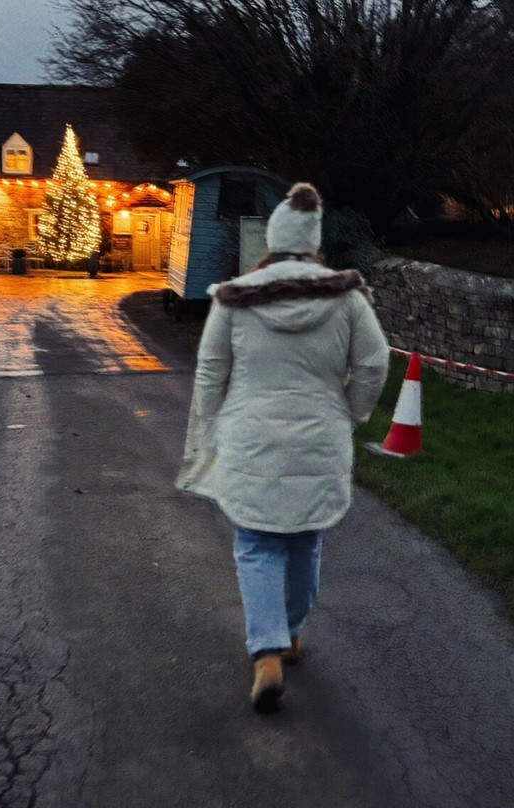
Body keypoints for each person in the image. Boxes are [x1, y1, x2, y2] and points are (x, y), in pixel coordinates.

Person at [176, 182, 390, 713]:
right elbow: (373, 363)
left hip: (251, 439)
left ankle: (267, 652)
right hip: (320, 436)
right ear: (314, 241)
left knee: (257, 543)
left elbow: (211, 371)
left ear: (272, 239)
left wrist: (211, 425)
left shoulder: (234, 298)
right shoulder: (347, 299)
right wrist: (352, 410)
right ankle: (291, 632)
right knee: (305, 540)